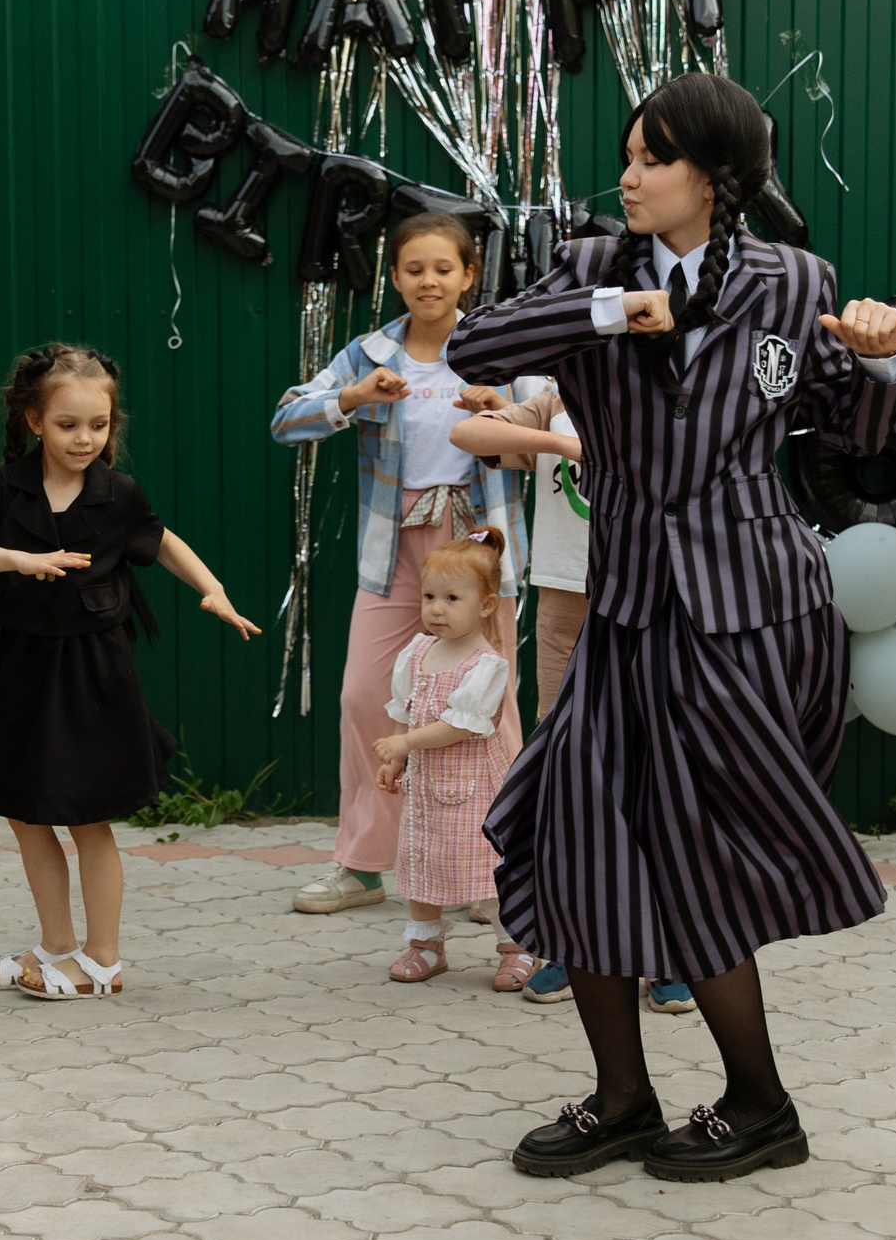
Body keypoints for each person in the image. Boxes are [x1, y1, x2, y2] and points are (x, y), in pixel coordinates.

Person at [447, 71, 896, 1184]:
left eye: (653, 156)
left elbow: (844, 425)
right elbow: (474, 351)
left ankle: (759, 1106)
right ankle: (623, 1099)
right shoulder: (593, 267)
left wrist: (884, 355)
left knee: (698, 850)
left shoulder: (797, 280)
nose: (630, 173)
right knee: (574, 836)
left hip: (754, 608)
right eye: (628, 154)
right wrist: (617, 312)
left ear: (719, 175)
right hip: (628, 604)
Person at [0, 344, 259, 999]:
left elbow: (164, 539)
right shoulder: (8, 485)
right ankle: (57, 946)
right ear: (34, 420)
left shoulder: (118, 495)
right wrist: (17, 559)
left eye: (99, 424)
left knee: (87, 818)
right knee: (26, 813)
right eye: (68, 424)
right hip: (21, 669)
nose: (86, 437)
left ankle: (103, 961)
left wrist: (213, 587)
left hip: (92, 677)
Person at [268, 215, 527, 971]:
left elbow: (554, 413)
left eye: (443, 268)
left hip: (478, 549)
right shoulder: (371, 352)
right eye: (413, 268)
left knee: (494, 707)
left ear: (469, 275)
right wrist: (350, 397)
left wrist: (500, 410)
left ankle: (491, 871)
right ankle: (364, 862)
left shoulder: (496, 344)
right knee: (363, 695)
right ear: (395, 277)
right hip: (395, 549)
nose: (429, 281)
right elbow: (287, 417)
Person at [452, 387, 695, 1016]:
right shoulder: (555, 396)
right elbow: (472, 436)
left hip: (651, 596)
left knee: (653, 772)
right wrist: (561, 442)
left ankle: (664, 953)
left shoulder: (674, 389)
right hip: (566, 594)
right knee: (566, 768)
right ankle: (566, 941)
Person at [372, 527, 527, 989]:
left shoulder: (486, 665)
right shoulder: (418, 651)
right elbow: (405, 707)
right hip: (427, 792)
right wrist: (395, 758)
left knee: (491, 870)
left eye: (452, 599)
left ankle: (516, 947)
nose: (436, 609)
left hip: (476, 792)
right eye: (429, 596)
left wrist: (407, 744)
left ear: (485, 605)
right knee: (422, 863)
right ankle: (426, 946)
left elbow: (461, 725)